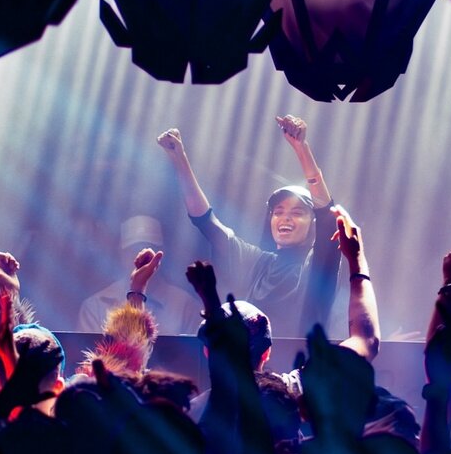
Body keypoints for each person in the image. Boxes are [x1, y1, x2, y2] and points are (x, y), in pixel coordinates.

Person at [157, 114, 342, 339]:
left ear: (313, 224)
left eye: (296, 213)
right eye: (278, 212)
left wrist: (301, 149)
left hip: (304, 362)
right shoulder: (259, 262)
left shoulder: (317, 265)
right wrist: (179, 159)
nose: (285, 218)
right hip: (256, 361)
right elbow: (207, 222)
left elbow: (326, 215)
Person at [77, 214, 200, 336]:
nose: (141, 256)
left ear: (162, 254)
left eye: (149, 248)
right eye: (133, 249)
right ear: (121, 253)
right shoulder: (95, 306)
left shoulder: (186, 306)